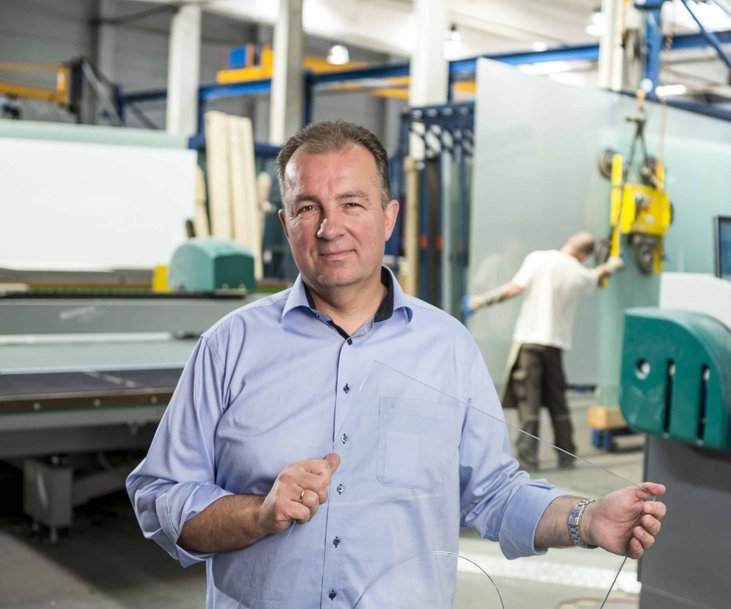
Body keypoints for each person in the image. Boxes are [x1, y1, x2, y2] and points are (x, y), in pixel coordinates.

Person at [126, 120, 666, 608]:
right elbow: (161, 495)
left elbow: (495, 494)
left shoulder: (449, 348)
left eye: (352, 204)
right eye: (307, 206)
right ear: (286, 221)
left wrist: (586, 519)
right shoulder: (227, 347)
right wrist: (257, 514)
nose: (329, 227)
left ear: (389, 217)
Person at [463, 233, 623, 470]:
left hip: (530, 341)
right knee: (558, 401)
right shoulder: (578, 271)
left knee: (529, 401)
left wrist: (481, 301)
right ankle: (567, 456)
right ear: (584, 255)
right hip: (555, 345)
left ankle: (529, 459)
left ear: (569, 242)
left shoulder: (539, 258)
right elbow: (597, 275)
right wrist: (612, 265)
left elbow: (514, 289)